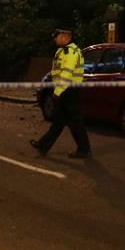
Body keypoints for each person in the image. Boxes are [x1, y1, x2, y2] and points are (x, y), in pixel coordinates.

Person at [30, 27, 91, 158]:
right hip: (65, 91)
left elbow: (66, 74)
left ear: (64, 36)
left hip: (70, 91)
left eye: (56, 37)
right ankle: (43, 146)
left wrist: (58, 91)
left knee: (73, 123)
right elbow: (56, 71)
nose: (54, 40)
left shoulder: (71, 52)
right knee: (61, 121)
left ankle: (84, 149)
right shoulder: (61, 52)